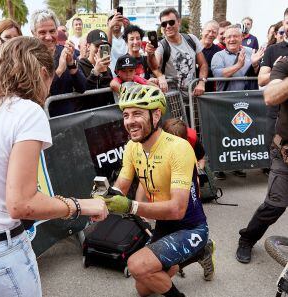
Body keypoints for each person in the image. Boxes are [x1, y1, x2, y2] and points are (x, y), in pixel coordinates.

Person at [0, 36, 108, 297]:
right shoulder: (26, 111)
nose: (47, 90)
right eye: (49, 80)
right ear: (40, 73)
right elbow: (22, 204)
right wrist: (81, 205)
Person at [100, 83, 213, 297]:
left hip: (191, 227)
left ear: (156, 115)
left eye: (137, 114)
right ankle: (198, 254)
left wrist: (132, 206)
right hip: (165, 226)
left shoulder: (178, 147)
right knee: (143, 288)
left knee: (137, 265)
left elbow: (178, 210)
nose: (130, 121)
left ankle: (200, 247)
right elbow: (121, 187)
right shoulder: (133, 146)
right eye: (126, 115)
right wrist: (102, 199)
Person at [236, 56, 288, 264]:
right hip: (284, 154)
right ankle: (247, 238)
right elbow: (270, 95)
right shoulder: (284, 63)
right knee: (275, 206)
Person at [211, 25, 264, 179]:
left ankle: (237, 166)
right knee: (222, 134)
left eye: (235, 36)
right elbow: (219, 74)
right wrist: (238, 65)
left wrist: (255, 64)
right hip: (224, 101)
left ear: (242, 38)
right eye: (229, 37)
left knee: (241, 135)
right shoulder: (218, 56)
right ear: (224, 39)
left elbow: (258, 74)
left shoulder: (250, 52)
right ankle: (219, 167)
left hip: (245, 101)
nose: (232, 39)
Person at [30, 9, 86, 116]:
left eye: (52, 31)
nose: (48, 37)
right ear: (33, 33)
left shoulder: (65, 51)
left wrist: (71, 65)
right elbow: (39, 95)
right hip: (44, 119)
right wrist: (59, 70)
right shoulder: (29, 58)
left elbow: (82, 87)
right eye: (42, 32)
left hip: (69, 118)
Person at [146, 8, 208, 97]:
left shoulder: (191, 39)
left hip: (194, 96)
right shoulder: (161, 45)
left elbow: (203, 64)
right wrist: (150, 54)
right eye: (164, 24)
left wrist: (202, 83)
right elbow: (155, 66)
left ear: (179, 22)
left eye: (171, 22)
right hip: (173, 100)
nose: (167, 26)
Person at [258, 10, 288, 167]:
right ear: (283, 24)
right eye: (287, 23)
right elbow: (261, 79)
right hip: (275, 116)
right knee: (276, 160)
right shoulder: (273, 50)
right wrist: (277, 70)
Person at [200, 20, 222, 92]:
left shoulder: (219, 51)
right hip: (190, 90)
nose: (210, 34)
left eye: (214, 32)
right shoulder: (192, 47)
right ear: (202, 31)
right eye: (208, 31)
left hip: (209, 93)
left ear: (217, 35)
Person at [107, 12, 129, 76]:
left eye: (118, 18)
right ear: (108, 22)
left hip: (126, 75)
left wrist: (128, 26)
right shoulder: (105, 36)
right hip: (110, 76)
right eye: (112, 19)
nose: (116, 21)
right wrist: (110, 27)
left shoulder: (127, 36)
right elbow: (107, 46)